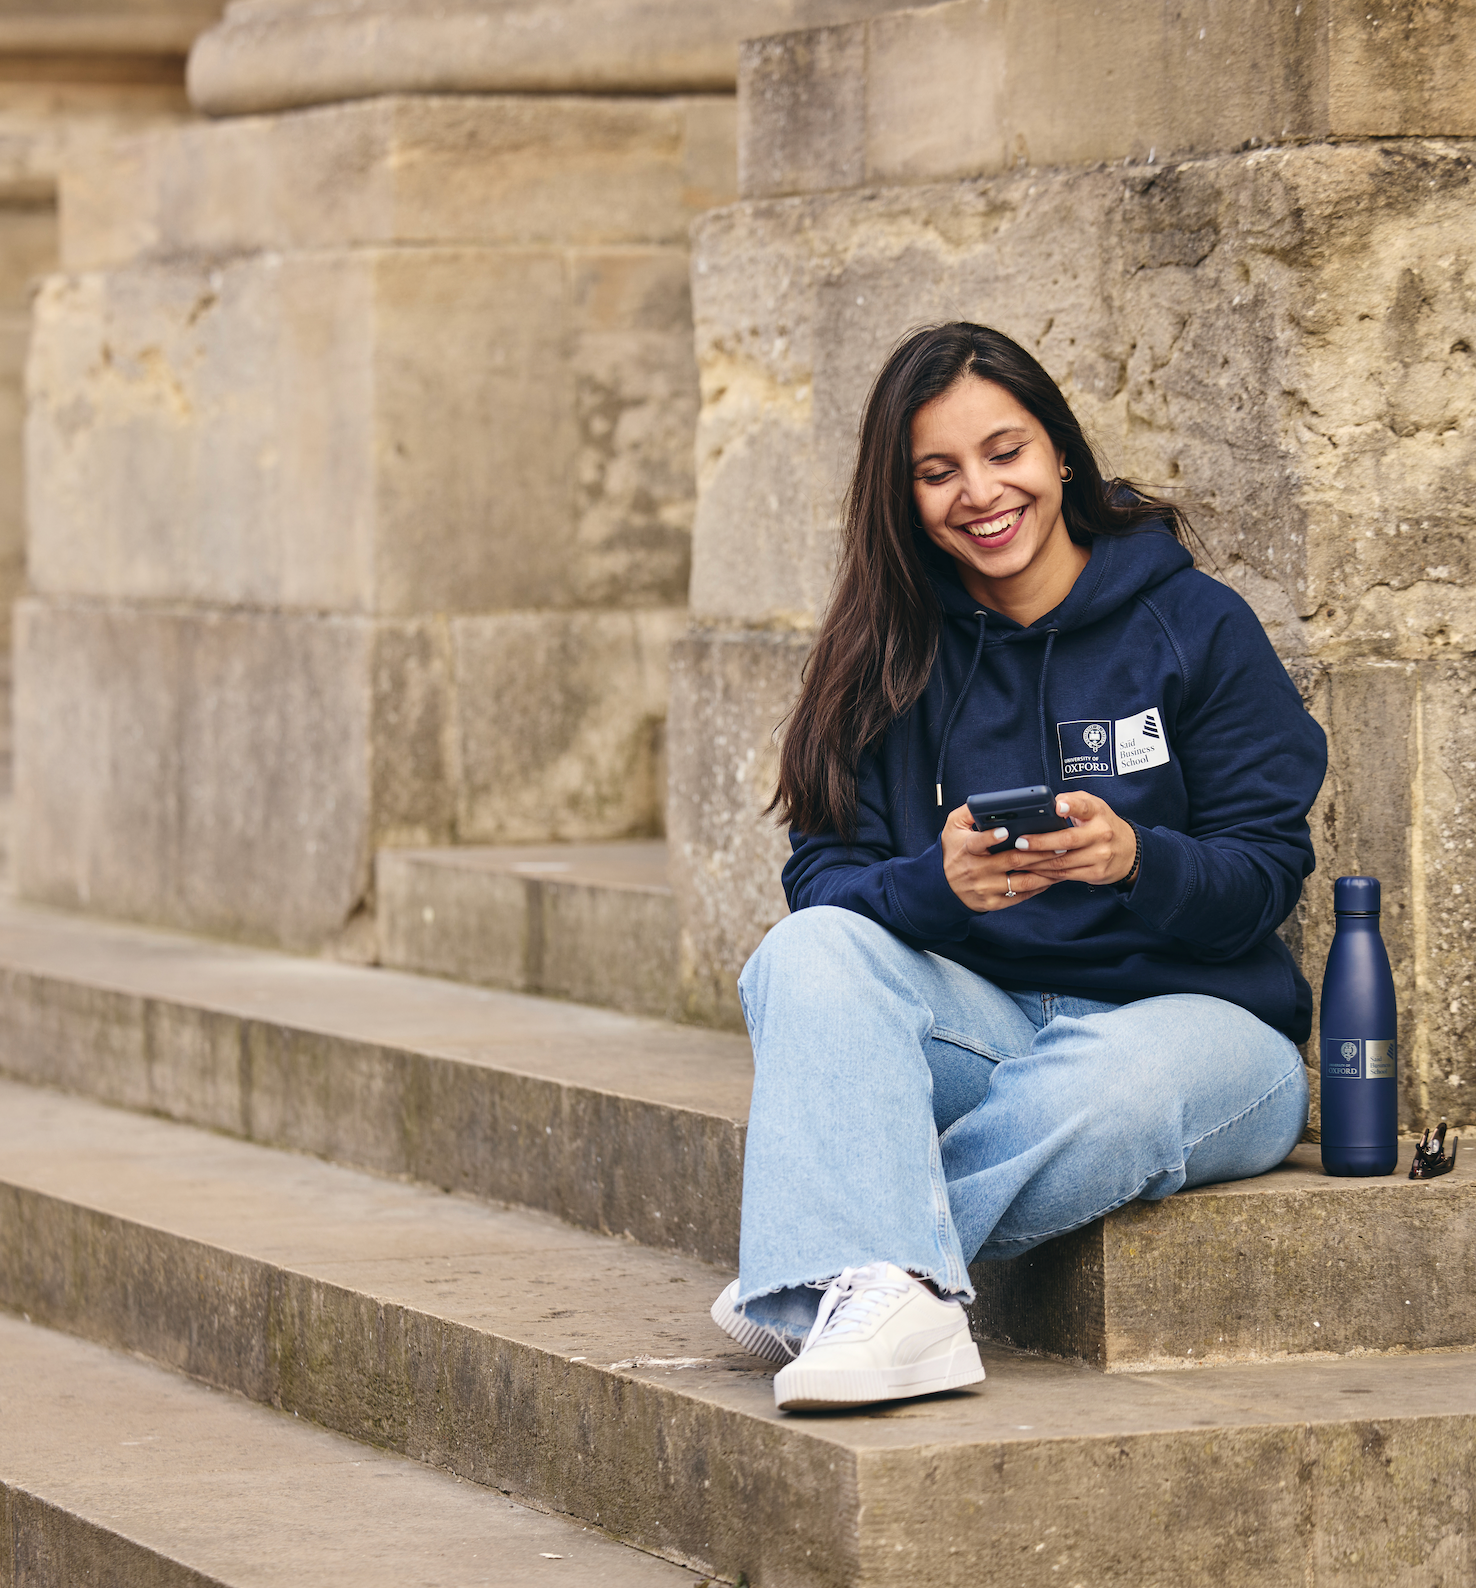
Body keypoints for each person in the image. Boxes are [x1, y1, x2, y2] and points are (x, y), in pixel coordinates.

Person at [707, 322, 1327, 1412]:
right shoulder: (886, 653)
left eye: (1006, 452)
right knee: (806, 952)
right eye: (937, 472)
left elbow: (1267, 868)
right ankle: (883, 1293)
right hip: (986, 1023)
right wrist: (932, 888)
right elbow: (822, 882)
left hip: (1203, 1031)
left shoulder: (1195, 624)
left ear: (1061, 455)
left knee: (1113, 1080)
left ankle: (833, 1270)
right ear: (901, 500)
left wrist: (1139, 859)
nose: (981, 492)